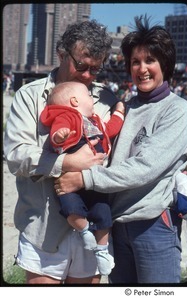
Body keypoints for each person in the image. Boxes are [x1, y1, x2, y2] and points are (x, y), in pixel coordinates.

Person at [54, 15, 187, 283]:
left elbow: (144, 168)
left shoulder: (178, 110)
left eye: (150, 60)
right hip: (114, 225)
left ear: (165, 64)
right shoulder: (125, 106)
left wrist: (83, 178)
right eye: (135, 62)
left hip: (152, 226)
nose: (142, 68)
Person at [4, 20, 119, 284]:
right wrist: (67, 162)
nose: (88, 76)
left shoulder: (106, 99)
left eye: (95, 69)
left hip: (94, 224)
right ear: (62, 54)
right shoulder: (29, 96)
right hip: (43, 229)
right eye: (81, 66)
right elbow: (16, 154)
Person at [40, 81, 124, 275]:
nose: (92, 99)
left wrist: (119, 111)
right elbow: (56, 133)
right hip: (69, 178)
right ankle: (85, 230)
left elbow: (111, 129)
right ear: (75, 100)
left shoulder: (95, 120)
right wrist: (59, 136)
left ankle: (102, 252)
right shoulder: (66, 117)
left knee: (103, 212)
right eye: (89, 95)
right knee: (71, 208)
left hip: (94, 179)